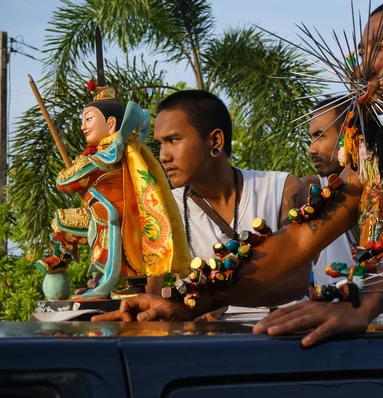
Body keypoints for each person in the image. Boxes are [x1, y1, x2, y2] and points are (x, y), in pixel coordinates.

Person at [95, 0, 383, 347]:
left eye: (377, 48)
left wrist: (361, 302)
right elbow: (300, 237)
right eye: (361, 52)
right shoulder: (374, 157)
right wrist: (188, 302)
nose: (361, 68)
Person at [93, 90, 307, 320]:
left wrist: (200, 299)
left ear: (215, 141)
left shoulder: (282, 189)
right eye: (160, 144)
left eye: (173, 140)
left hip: (282, 338)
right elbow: (149, 293)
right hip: (204, 344)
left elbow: (296, 282)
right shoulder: (159, 208)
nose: (163, 156)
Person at [36, 83, 190, 300]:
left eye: (88, 119)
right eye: (83, 120)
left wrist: (70, 170)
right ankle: (124, 283)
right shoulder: (124, 150)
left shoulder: (105, 156)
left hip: (108, 217)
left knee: (61, 220)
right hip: (122, 218)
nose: (82, 126)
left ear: (110, 124)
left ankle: (60, 263)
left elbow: (65, 183)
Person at [303, 97, 356, 289]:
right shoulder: (312, 192)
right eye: (311, 137)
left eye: (320, 135)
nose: (311, 149)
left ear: (348, 133)